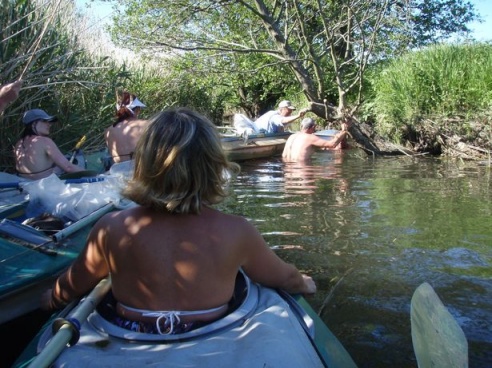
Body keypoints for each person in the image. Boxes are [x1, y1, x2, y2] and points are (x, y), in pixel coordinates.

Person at [41, 107, 316, 335]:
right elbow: (285, 277)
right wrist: (304, 282)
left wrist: (48, 300)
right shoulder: (236, 231)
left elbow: (66, 290)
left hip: (127, 333)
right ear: (214, 167)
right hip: (213, 332)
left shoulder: (112, 228)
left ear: (143, 164)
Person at [14, 109, 84, 180]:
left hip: (25, 183)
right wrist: (93, 174)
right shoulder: (45, 141)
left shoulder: (18, 144)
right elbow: (68, 167)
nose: (49, 124)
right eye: (44, 121)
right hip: (45, 185)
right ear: (33, 124)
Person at [104, 91, 148, 167]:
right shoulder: (147, 124)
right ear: (137, 110)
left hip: (118, 173)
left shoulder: (108, 131)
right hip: (141, 171)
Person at [282, 117, 350, 162]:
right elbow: (332, 144)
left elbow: (284, 156)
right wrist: (344, 130)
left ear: (301, 126)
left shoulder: (291, 137)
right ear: (313, 127)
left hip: (289, 173)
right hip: (303, 170)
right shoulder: (310, 137)